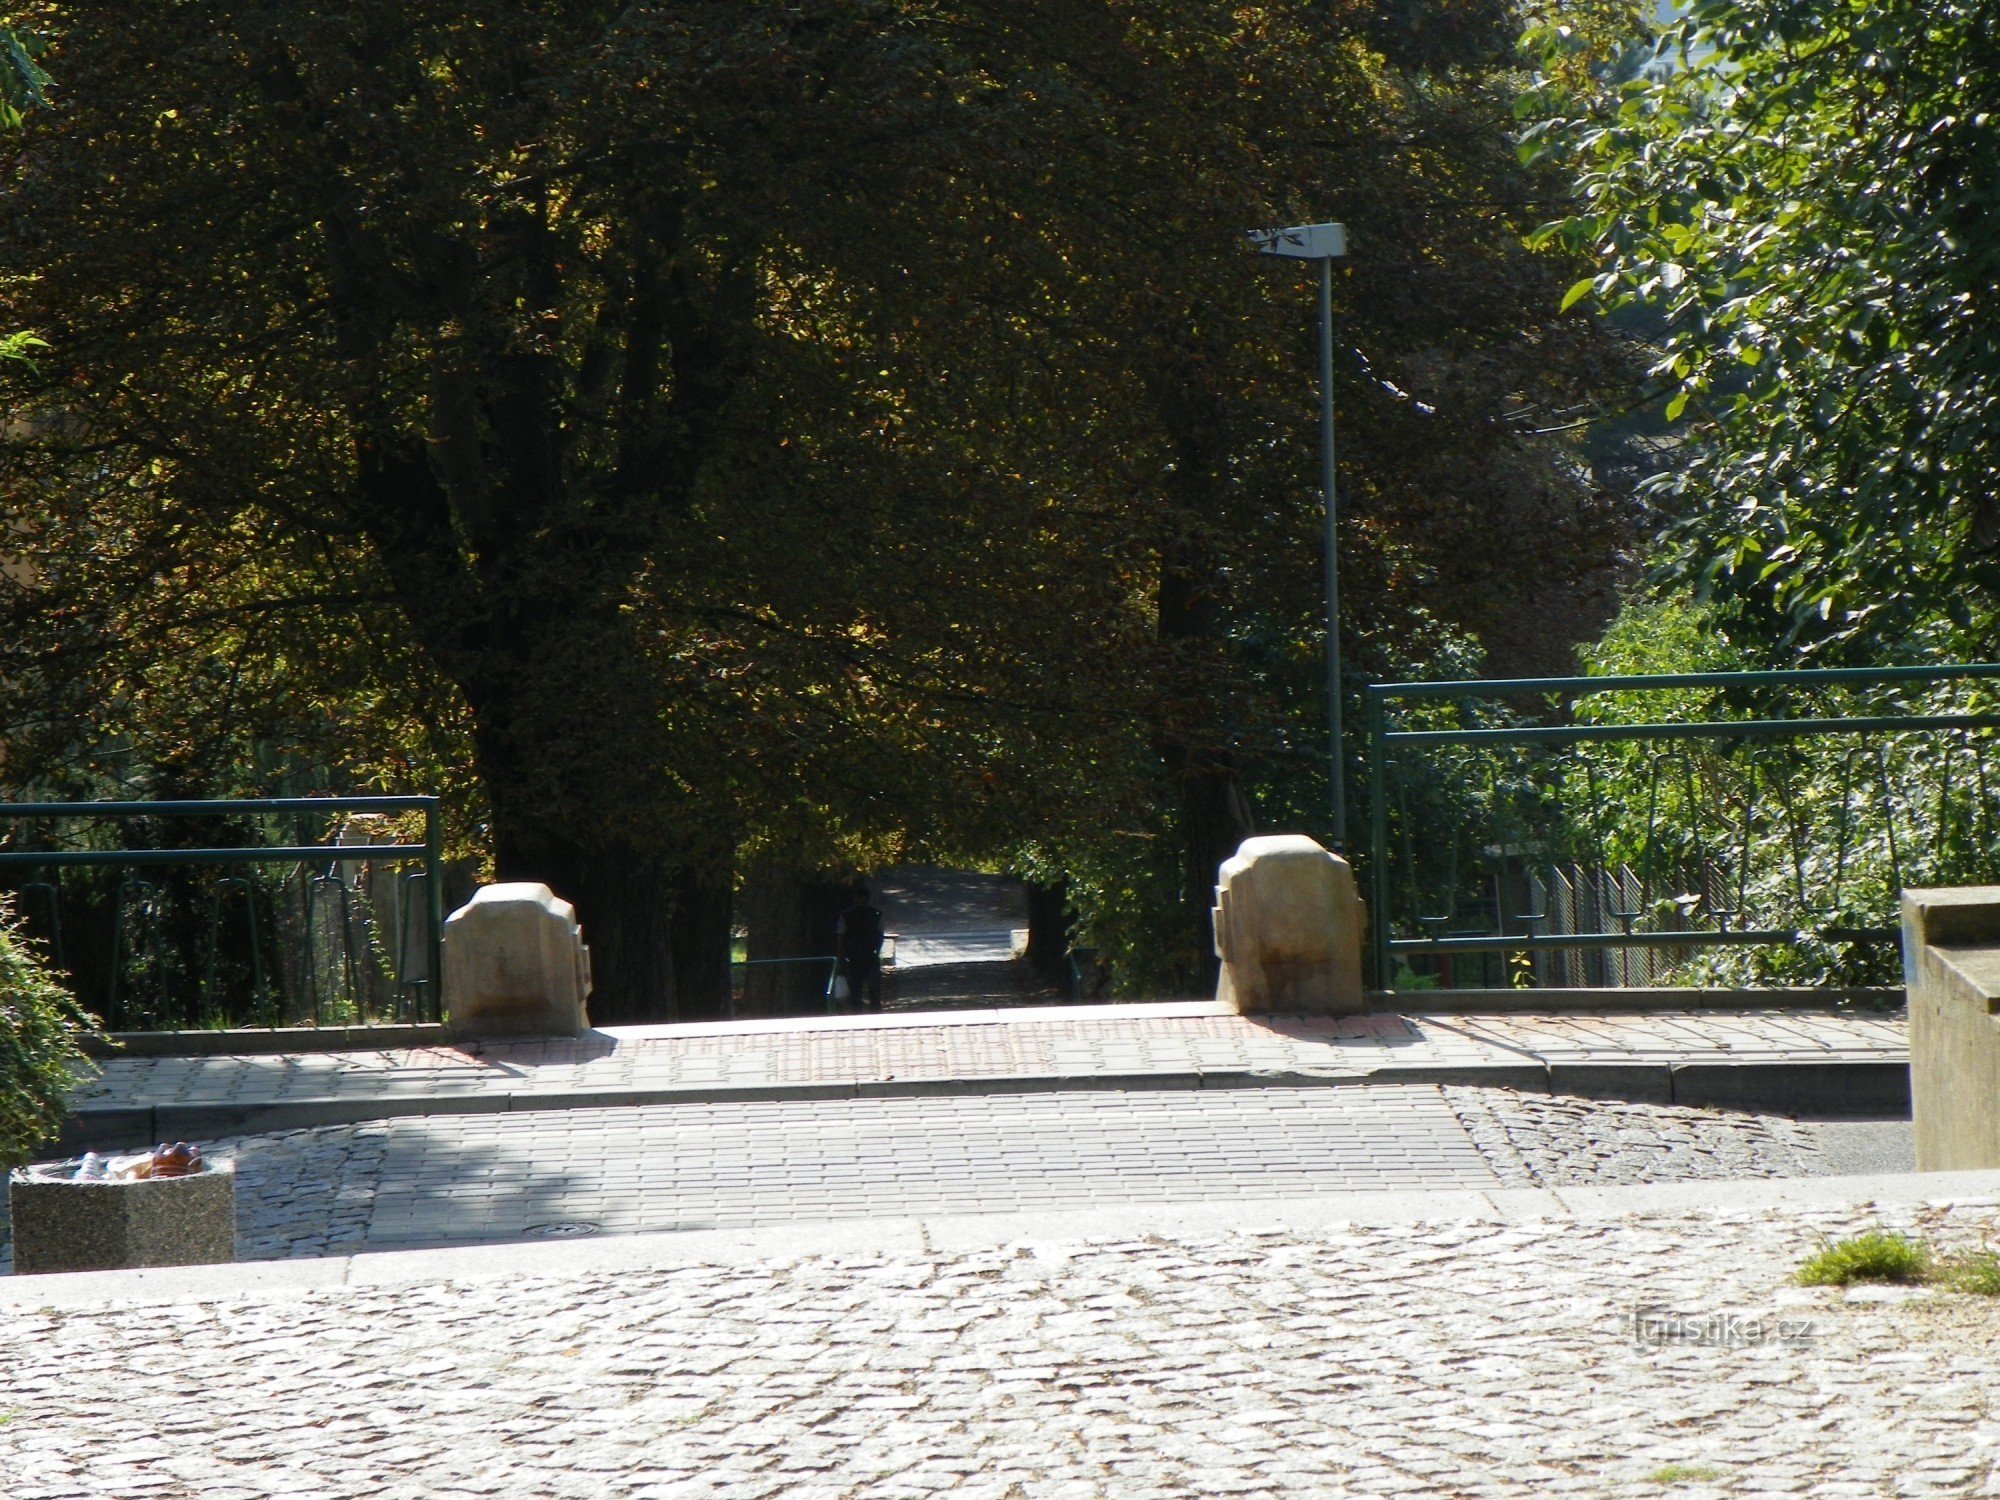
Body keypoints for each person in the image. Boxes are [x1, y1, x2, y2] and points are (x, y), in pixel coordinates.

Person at [835, 884, 886, 1010]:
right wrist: (877, 951)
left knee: (858, 991)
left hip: (856, 956)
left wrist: (842, 956)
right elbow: (880, 935)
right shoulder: (876, 914)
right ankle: (871, 1012)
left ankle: (860, 1012)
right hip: (863, 956)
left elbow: (841, 938)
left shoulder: (846, 916)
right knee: (869, 990)